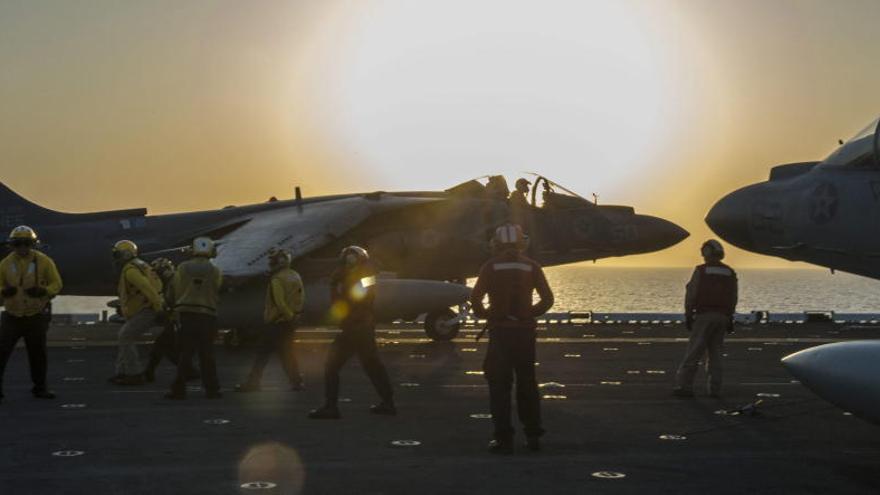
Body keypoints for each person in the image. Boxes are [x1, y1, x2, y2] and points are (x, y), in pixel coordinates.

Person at [470, 223, 554, 454]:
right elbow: (547, 300)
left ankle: (504, 439)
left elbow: (475, 299)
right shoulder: (532, 266)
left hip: (501, 334)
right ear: (521, 242)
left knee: (499, 387)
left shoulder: (491, 267)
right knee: (527, 384)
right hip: (525, 334)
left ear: (496, 243)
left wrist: (488, 315)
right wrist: (528, 314)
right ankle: (533, 436)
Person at [308, 246, 395, 419]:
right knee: (373, 366)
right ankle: (388, 403)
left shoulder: (354, 277)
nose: (349, 260)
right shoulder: (365, 275)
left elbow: (352, 300)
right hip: (364, 328)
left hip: (353, 328)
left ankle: (331, 407)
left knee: (331, 366)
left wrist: (336, 285)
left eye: (351, 257)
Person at [0, 226, 62, 404]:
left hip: (35, 315)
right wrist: (4, 291)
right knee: (1, 353)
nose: (22, 247)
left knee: (38, 355)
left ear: (32, 244)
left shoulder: (44, 262)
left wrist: (44, 291)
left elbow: (56, 283)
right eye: (18, 244)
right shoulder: (5, 264)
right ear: (12, 245)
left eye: (26, 243)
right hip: (12, 315)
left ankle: (40, 388)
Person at [674, 239, 738, 399]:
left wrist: (688, 315)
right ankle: (714, 389)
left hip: (704, 316)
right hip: (722, 317)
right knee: (716, 354)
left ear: (707, 252)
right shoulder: (730, 272)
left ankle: (685, 386)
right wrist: (729, 317)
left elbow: (692, 294)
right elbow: (733, 297)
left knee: (694, 352)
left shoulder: (701, 271)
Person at [236, 248, 305, 392]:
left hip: (276, 323)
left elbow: (279, 303)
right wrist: (294, 316)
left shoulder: (277, 279)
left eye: (272, 261)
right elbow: (301, 297)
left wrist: (286, 316)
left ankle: (253, 383)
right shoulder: (295, 275)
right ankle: (296, 381)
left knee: (262, 354)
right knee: (287, 353)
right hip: (290, 322)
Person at [166, 237, 223, 400]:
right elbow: (217, 288)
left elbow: (173, 289)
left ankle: (178, 390)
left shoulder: (183, 268)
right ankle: (212, 390)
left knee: (186, 355)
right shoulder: (215, 270)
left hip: (187, 316)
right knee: (208, 356)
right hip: (208, 316)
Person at [109, 240, 164, 386]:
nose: (116, 258)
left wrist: (158, 307)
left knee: (125, 336)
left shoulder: (131, 270)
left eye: (118, 255)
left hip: (147, 310)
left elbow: (147, 288)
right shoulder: (142, 265)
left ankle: (134, 374)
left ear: (126, 254)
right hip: (145, 308)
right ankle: (121, 372)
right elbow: (158, 285)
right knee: (125, 336)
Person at [142, 258, 198, 383]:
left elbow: (179, 303)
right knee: (162, 346)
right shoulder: (173, 281)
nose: (156, 275)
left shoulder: (175, 282)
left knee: (164, 347)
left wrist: (175, 321)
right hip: (178, 320)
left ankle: (188, 371)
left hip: (179, 320)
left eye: (158, 272)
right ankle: (150, 372)